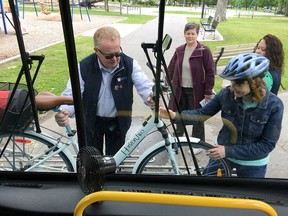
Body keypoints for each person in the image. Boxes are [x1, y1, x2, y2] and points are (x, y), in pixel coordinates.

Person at [160, 53, 284, 178]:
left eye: (238, 84)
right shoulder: (226, 94)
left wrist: (227, 151)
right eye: (231, 82)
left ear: (254, 83)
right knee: (208, 190)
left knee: (247, 196)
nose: (232, 88)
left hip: (251, 163)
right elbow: (201, 114)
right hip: (221, 154)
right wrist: (175, 115)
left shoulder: (274, 106)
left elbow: (266, 145)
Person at [55, 26, 154, 156]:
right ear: (96, 51)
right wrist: (65, 111)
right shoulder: (84, 66)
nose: (114, 59)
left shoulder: (129, 64)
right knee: (91, 161)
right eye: (109, 56)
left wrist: (151, 97)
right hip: (91, 122)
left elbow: (145, 85)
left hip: (118, 122)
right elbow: (72, 93)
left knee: (114, 161)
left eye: (118, 53)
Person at [167, 22, 215, 141]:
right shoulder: (179, 50)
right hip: (180, 89)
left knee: (197, 117)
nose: (190, 36)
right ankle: (178, 136)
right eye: (188, 33)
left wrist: (208, 91)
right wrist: (166, 82)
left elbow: (210, 72)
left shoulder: (204, 51)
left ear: (197, 34)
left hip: (196, 91)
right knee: (179, 113)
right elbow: (171, 68)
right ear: (184, 34)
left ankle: (197, 141)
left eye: (193, 34)